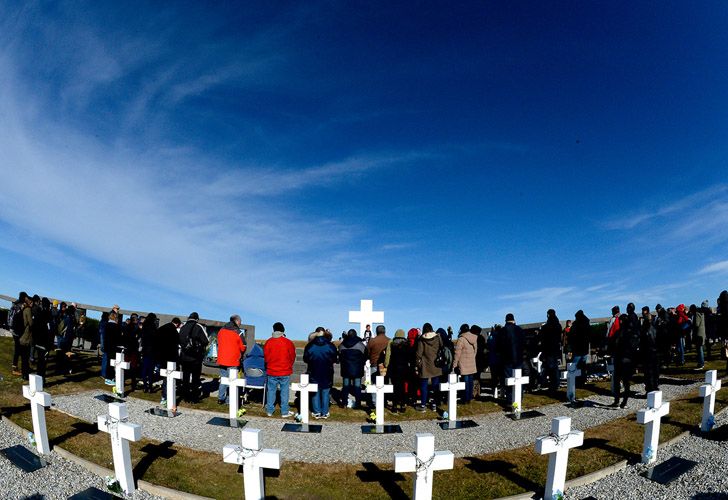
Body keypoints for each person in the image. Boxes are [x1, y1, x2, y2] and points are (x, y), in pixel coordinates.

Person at [263, 322, 296, 417]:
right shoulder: (288, 342)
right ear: (283, 330)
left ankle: (269, 410)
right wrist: (289, 365)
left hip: (272, 371)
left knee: (271, 391)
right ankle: (284, 411)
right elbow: (292, 356)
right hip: (284, 371)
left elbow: (266, 357)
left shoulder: (268, 342)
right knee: (284, 391)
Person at [303, 329, 338, 418]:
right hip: (327, 371)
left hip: (313, 370)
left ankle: (316, 411)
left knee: (315, 391)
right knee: (325, 391)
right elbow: (335, 359)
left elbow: (305, 359)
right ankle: (325, 411)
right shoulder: (330, 346)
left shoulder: (310, 346)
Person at [178, 312, 208, 402]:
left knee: (185, 378)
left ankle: (185, 397)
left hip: (184, 356)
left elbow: (179, 340)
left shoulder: (182, 327)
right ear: (197, 319)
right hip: (195, 357)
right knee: (195, 378)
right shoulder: (198, 326)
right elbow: (205, 340)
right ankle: (194, 398)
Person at [217, 315, 247, 405]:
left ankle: (220, 398)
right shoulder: (238, 332)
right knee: (232, 381)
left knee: (223, 379)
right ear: (237, 321)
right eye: (240, 321)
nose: (240, 323)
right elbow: (243, 347)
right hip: (233, 360)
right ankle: (230, 400)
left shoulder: (221, 331)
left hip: (222, 359)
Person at [612, 313, 640, 407]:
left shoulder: (618, 333)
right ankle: (624, 401)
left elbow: (614, 346)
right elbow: (635, 348)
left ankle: (617, 400)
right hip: (627, 359)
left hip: (620, 359)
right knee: (626, 382)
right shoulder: (632, 333)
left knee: (617, 380)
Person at [415, 323, 443, 411]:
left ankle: (423, 405)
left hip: (425, 364)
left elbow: (419, 354)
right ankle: (434, 404)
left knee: (424, 386)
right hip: (436, 364)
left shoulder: (421, 339)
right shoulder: (438, 337)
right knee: (435, 385)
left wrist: (418, 365)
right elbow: (441, 348)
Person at [155, 317, 181, 405]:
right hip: (171, 358)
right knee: (168, 378)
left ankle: (164, 396)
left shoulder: (161, 328)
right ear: (177, 324)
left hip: (161, 356)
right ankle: (166, 396)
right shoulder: (173, 331)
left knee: (165, 377)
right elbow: (178, 342)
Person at [338, 328, 367, 408]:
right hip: (357, 369)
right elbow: (366, 356)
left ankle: (344, 403)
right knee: (357, 387)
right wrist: (362, 362)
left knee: (346, 387)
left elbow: (339, 356)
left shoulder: (342, 345)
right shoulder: (361, 345)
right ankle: (358, 403)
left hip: (346, 369)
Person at [384, 329, 410, 412]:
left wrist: (386, 365)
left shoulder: (391, 343)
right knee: (402, 387)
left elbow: (388, 355)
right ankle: (402, 405)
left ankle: (395, 406)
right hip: (404, 368)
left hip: (394, 367)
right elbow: (409, 357)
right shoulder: (407, 344)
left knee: (395, 387)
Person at [452, 324, 478, 403]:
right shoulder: (474, 338)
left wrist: (455, 364)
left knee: (465, 383)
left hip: (463, 364)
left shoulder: (461, 339)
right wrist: (472, 358)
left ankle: (465, 399)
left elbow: (457, 353)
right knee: (470, 382)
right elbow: (475, 350)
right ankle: (469, 398)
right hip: (472, 363)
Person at [539, 310, 562, 396]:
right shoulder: (558, 325)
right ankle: (556, 384)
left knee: (549, 368)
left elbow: (543, 339)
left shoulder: (546, 327)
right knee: (555, 368)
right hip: (555, 349)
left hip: (548, 350)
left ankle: (550, 385)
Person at [641, 306, 660, 392]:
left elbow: (643, 341)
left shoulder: (645, 329)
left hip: (648, 352)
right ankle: (655, 386)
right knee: (654, 371)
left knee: (649, 372)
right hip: (654, 351)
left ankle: (650, 388)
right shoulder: (654, 327)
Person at [9, 291, 29, 376]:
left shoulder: (14, 304)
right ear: (24, 297)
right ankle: (15, 367)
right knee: (18, 349)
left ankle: (17, 366)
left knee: (18, 348)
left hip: (12, 328)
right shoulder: (21, 305)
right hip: (17, 330)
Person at [32, 297, 53, 378]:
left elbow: (33, 327)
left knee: (39, 361)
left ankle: (38, 377)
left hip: (38, 342)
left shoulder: (39, 313)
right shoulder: (49, 315)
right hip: (45, 343)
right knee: (43, 362)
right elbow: (51, 330)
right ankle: (42, 379)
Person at [140, 313, 158, 393]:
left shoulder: (144, 326)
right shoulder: (153, 327)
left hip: (145, 350)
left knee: (145, 369)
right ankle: (150, 386)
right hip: (152, 350)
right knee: (151, 370)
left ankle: (145, 386)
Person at [103, 311, 121, 385]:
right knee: (112, 363)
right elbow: (118, 337)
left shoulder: (106, 325)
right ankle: (109, 378)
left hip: (107, 346)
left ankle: (108, 377)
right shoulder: (116, 326)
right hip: (113, 346)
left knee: (108, 362)